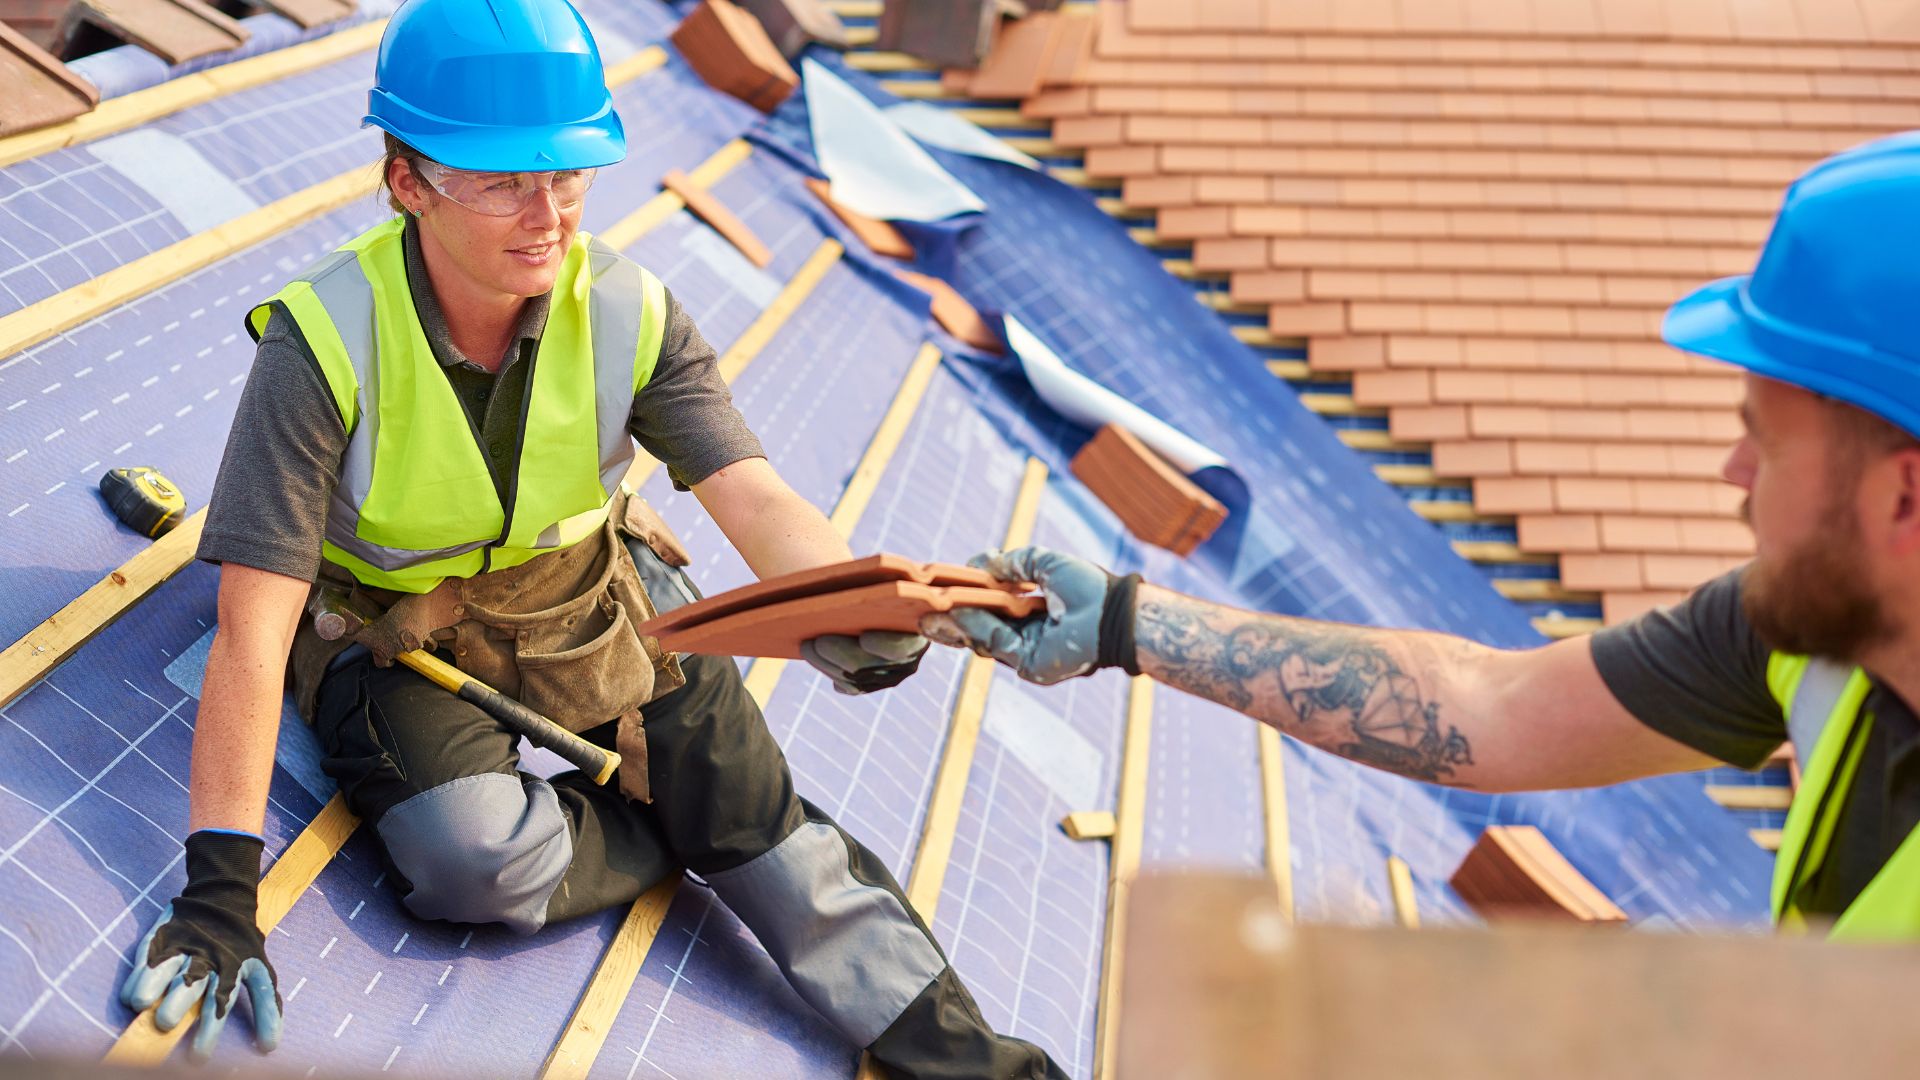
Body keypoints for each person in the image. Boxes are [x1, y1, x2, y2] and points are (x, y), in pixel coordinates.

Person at [117, 1, 1066, 1075]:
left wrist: (854, 601)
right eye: (502, 182)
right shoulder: (322, 343)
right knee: (469, 866)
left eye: (567, 176)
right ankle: (679, 819)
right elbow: (250, 632)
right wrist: (220, 895)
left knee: (786, 856)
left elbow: (752, 497)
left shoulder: (627, 310)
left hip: (590, 601)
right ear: (407, 183)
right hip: (399, 636)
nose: (547, 215)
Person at [927, 133, 1920, 940]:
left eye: (1768, 446)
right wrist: (1123, 625)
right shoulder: (1813, 630)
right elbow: (1493, 706)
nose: (1733, 477)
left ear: (1903, 497)